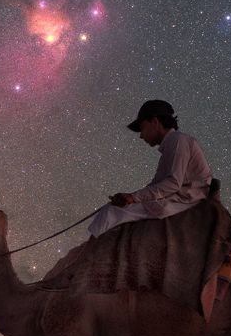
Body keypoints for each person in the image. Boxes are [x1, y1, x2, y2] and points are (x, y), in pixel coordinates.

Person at [88, 100, 213, 237]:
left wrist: (133, 197)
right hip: (180, 197)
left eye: (142, 128)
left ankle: (90, 250)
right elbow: (158, 185)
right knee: (113, 209)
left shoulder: (178, 141)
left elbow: (173, 183)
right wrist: (129, 197)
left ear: (155, 122)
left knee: (111, 212)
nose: (141, 136)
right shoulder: (174, 143)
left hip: (184, 200)